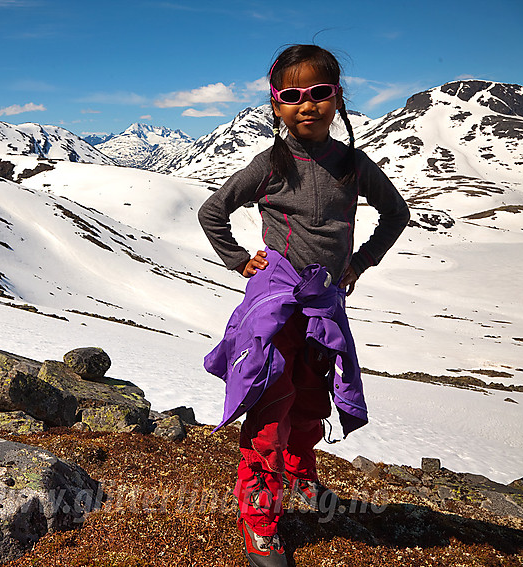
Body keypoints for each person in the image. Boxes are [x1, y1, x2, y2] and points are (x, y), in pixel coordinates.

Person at [198, 44, 409, 567]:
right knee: (270, 406)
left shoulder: (354, 166)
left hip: (324, 304)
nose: (306, 104)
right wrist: (238, 260)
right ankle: (260, 522)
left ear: (338, 98)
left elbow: (396, 213)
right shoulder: (268, 165)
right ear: (275, 105)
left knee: (312, 400)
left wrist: (359, 264)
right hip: (274, 304)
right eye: (292, 96)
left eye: (320, 92)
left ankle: (299, 472)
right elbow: (213, 211)